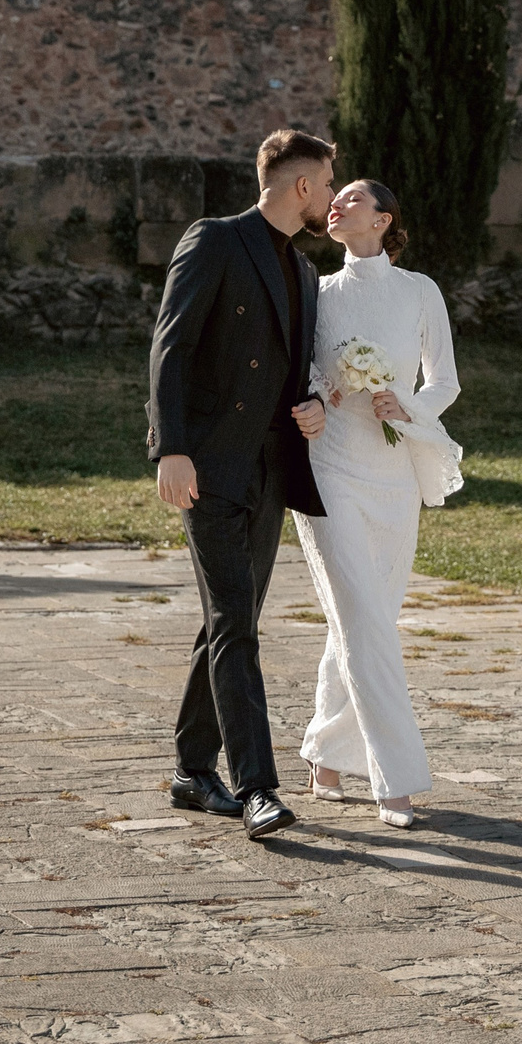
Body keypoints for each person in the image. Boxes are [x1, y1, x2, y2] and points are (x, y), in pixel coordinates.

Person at [144, 128, 336, 840]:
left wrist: (312, 405)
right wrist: (172, 449)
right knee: (234, 622)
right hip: (210, 467)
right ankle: (258, 787)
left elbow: (296, 372)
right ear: (303, 185)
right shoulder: (217, 239)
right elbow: (172, 345)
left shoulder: (305, 273)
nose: (330, 193)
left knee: (232, 622)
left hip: (271, 471)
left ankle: (192, 771)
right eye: (327, 179)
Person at [294, 177, 464, 829]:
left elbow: (443, 380)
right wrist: (322, 391)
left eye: (353, 199)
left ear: (384, 219)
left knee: (367, 614)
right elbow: (300, 368)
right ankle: (396, 779)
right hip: (329, 466)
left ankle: (324, 752)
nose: (336, 205)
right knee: (361, 615)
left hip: (393, 472)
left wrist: (410, 406)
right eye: (334, 200)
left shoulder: (419, 291)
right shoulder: (319, 289)